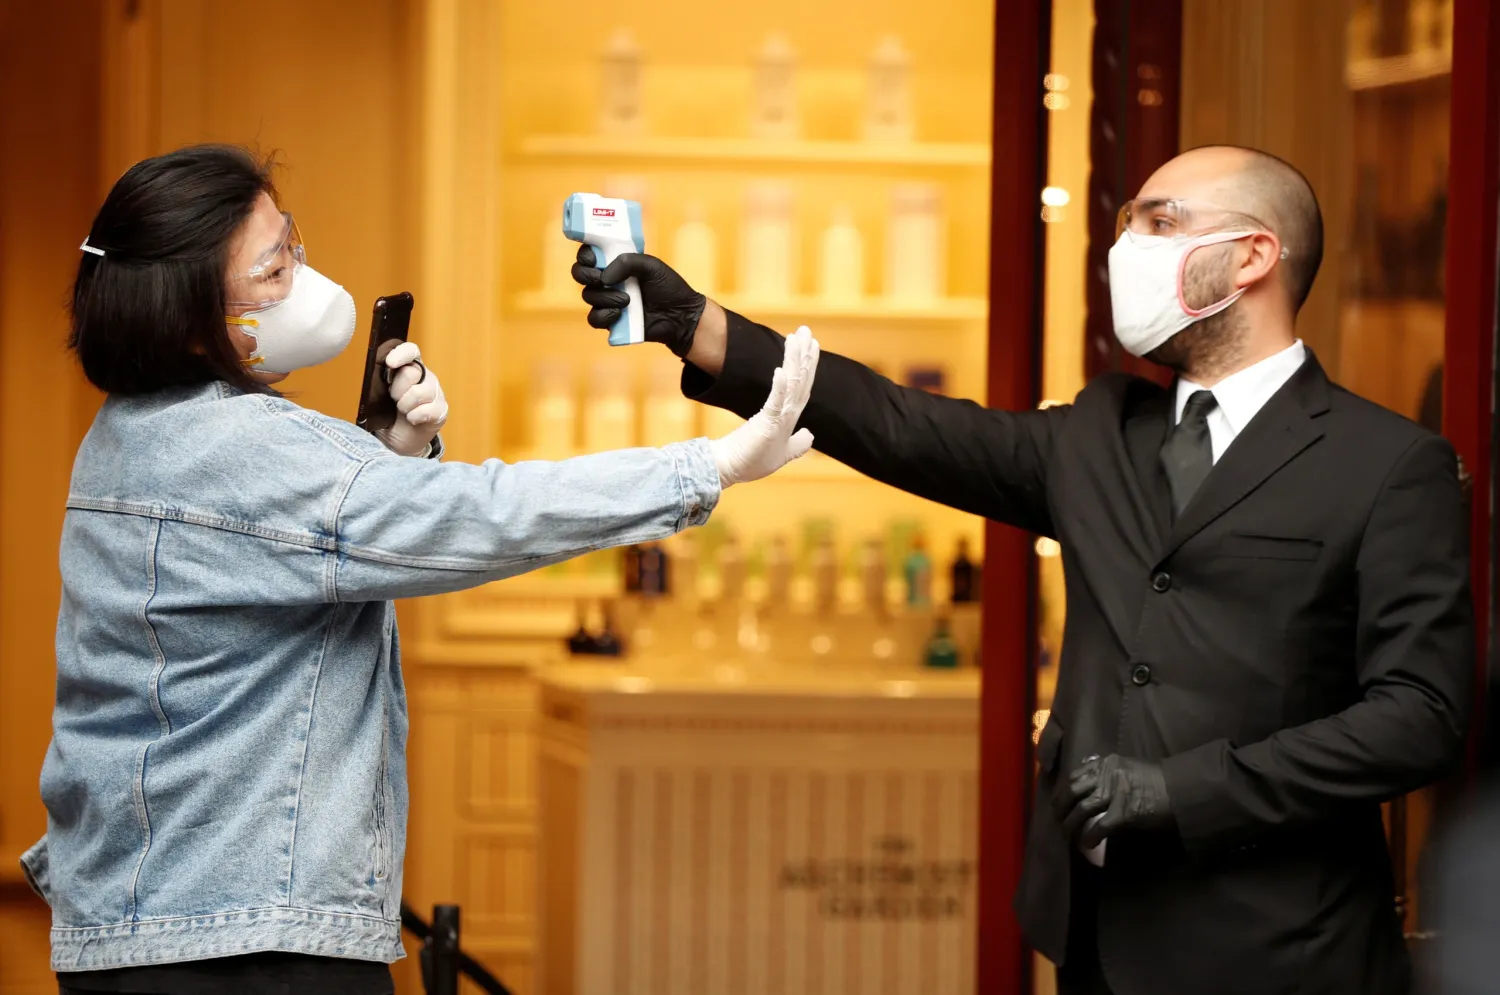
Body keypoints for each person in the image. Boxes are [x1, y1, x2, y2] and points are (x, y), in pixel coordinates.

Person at [573, 144, 1473, 995]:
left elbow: (1420, 717)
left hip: (1285, 950)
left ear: (1252, 256)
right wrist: (696, 325)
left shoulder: (1388, 464)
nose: (1128, 248)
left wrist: (1183, 786)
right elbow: (897, 423)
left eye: (1158, 224)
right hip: (1097, 937)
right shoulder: (1101, 433)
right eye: (1127, 224)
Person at [23, 144, 821, 995]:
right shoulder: (247, 446)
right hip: (245, 944)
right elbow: (485, 515)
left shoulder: (123, 438)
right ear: (186, 320)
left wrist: (384, 459)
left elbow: (266, 559)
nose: (306, 280)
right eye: (274, 269)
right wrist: (709, 466)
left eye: (293, 244)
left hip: (128, 924)